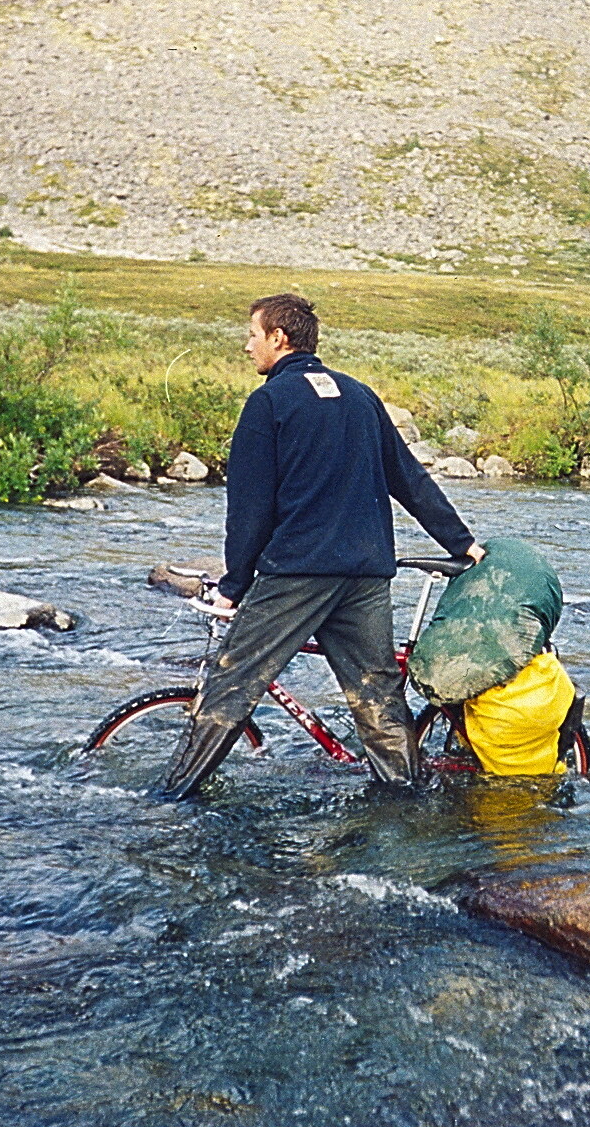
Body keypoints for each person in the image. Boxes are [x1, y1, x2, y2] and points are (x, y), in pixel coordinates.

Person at [157, 292, 485, 801]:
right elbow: (409, 478)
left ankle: (173, 796)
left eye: (252, 335)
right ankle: (405, 802)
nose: (247, 346)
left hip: (298, 573)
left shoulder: (268, 403)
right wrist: (462, 542)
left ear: (279, 338)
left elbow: (249, 509)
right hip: (366, 575)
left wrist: (234, 585)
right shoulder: (360, 395)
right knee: (377, 696)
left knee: (232, 683)